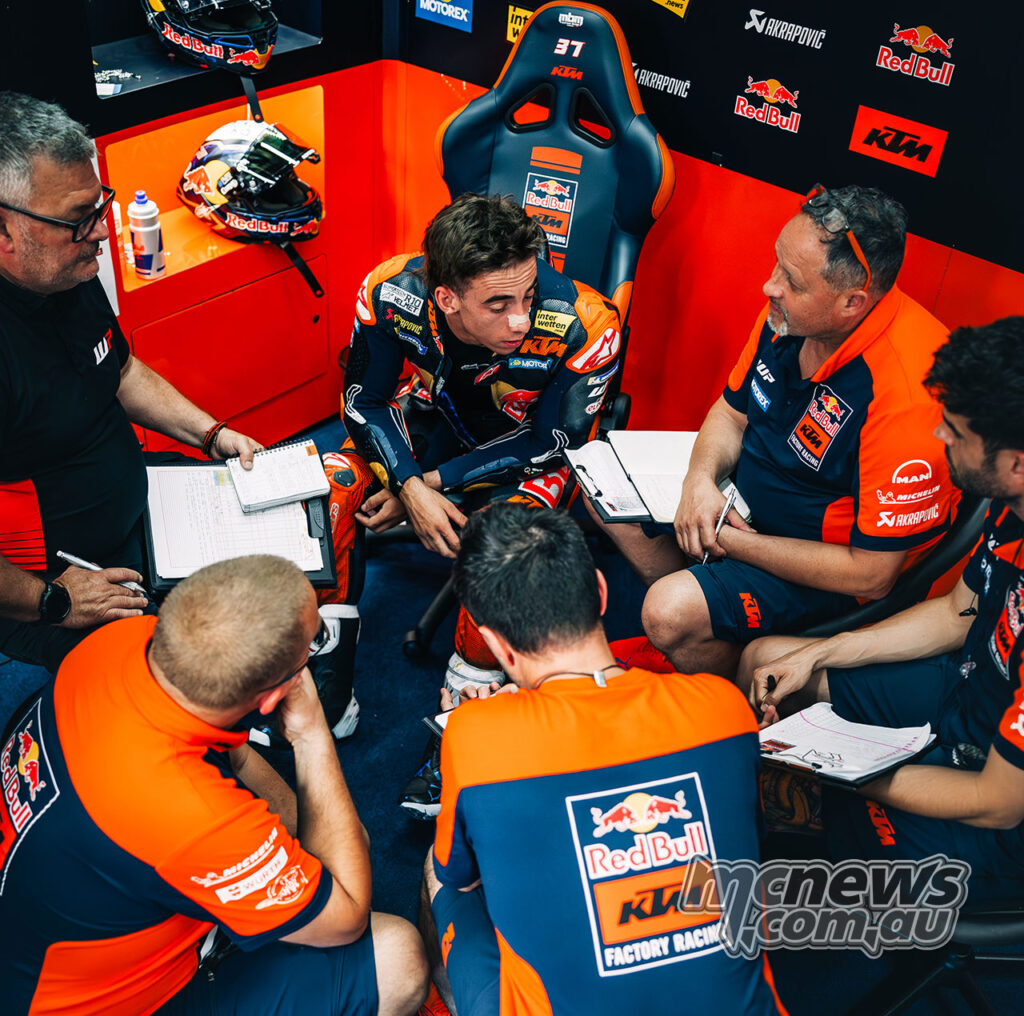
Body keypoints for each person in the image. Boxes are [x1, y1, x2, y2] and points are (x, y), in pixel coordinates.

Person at [0, 554, 429, 1015]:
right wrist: (310, 734)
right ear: (270, 698)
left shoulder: (120, 642)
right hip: (96, 1003)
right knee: (398, 957)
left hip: (48, 928)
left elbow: (232, 751)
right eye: (316, 642)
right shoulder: (196, 817)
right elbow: (346, 915)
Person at [420, 503, 787, 1015]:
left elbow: (458, 874)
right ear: (600, 591)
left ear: (496, 646)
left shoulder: (471, 733)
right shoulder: (724, 705)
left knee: (440, 872)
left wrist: (490, 730)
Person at [327, 192, 621, 814]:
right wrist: (405, 481)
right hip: (426, 440)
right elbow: (363, 401)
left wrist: (430, 485)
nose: (520, 319)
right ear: (446, 299)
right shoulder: (389, 294)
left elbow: (554, 440)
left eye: (528, 295)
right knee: (330, 488)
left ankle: (466, 727)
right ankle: (325, 692)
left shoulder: (586, 322)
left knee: (503, 538)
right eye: (499, 303)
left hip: (526, 461)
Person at [591, 184, 955, 679]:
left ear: (852, 302)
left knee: (667, 612)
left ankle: (730, 684)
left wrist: (725, 539)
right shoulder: (790, 314)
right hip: (738, 517)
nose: (770, 286)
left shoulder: (908, 394)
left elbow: (871, 575)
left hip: (822, 576)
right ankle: (701, 630)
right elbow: (731, 412)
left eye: (792, 281)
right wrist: (698, 483)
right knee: (600, 481)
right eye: (777, 264)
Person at [742, 317, 1024, 903]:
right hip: (964, 696)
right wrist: (816, 654)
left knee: (814, 889)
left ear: (1016, 460)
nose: (940, 437)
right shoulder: (1012, 503)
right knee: (771, 663)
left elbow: (997, 804)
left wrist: (848, 773)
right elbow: (956, 614)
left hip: (998, 812)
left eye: (955, 429)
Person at [0, 91, 262, 673]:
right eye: (78, 220)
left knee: (304, 538)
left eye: (100, 207)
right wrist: (54, 599)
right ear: (4, 230)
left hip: (144, 515)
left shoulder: (67, 270)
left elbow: (117, 369)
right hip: (58, 584)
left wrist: (211, 434)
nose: (100, 232)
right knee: (176, 688)